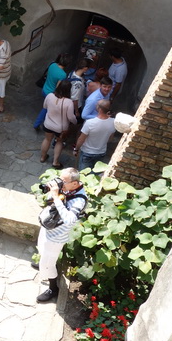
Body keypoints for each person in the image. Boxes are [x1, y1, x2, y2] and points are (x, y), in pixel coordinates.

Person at [34, 168, 88, 303]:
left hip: (56, 238)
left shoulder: (79, 200)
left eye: (63, 181)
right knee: (41, 250)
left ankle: (53, 289)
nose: (60, 183)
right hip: (48, 228)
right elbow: (49, 202)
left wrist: (57, 197)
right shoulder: (66, 189)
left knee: (48, 265)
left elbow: (69, 219)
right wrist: (51, 193)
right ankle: (43, 262)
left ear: (75, 184)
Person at [39, 80, 77, 168]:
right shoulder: (68, 102)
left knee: (47, 139)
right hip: (60, 128)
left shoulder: (49, 96)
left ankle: (43, 157)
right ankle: (55, 162)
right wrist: (75, 122)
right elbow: (71, 117)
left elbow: (44, 106)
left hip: (48, 124)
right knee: (59, 142)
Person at [74, 100, 116, 172]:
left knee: (84, 174)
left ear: (99, 109)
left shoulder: (90, 123)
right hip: (101, 152)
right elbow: (110, 139)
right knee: (96, 174)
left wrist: (76, 149)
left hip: (87, 152)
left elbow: (81, 139)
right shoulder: (113, 122)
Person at [34, 53, 73, 130]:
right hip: (50, 93)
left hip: (44, 89)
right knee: (45, 109)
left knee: (45, 107)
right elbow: (58, 87)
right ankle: (37, 124)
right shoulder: (63, 74)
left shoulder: (52, 65)